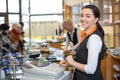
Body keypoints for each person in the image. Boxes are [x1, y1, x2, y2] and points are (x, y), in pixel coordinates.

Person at [59, 5, 106, 80]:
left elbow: (90, 70)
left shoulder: (93, 38)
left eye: (88, 16)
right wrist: (69, 63)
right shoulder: (86, 35)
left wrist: (73, 62)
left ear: (96, 19)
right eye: (82, 15)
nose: (83, 19)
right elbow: (84, 60)